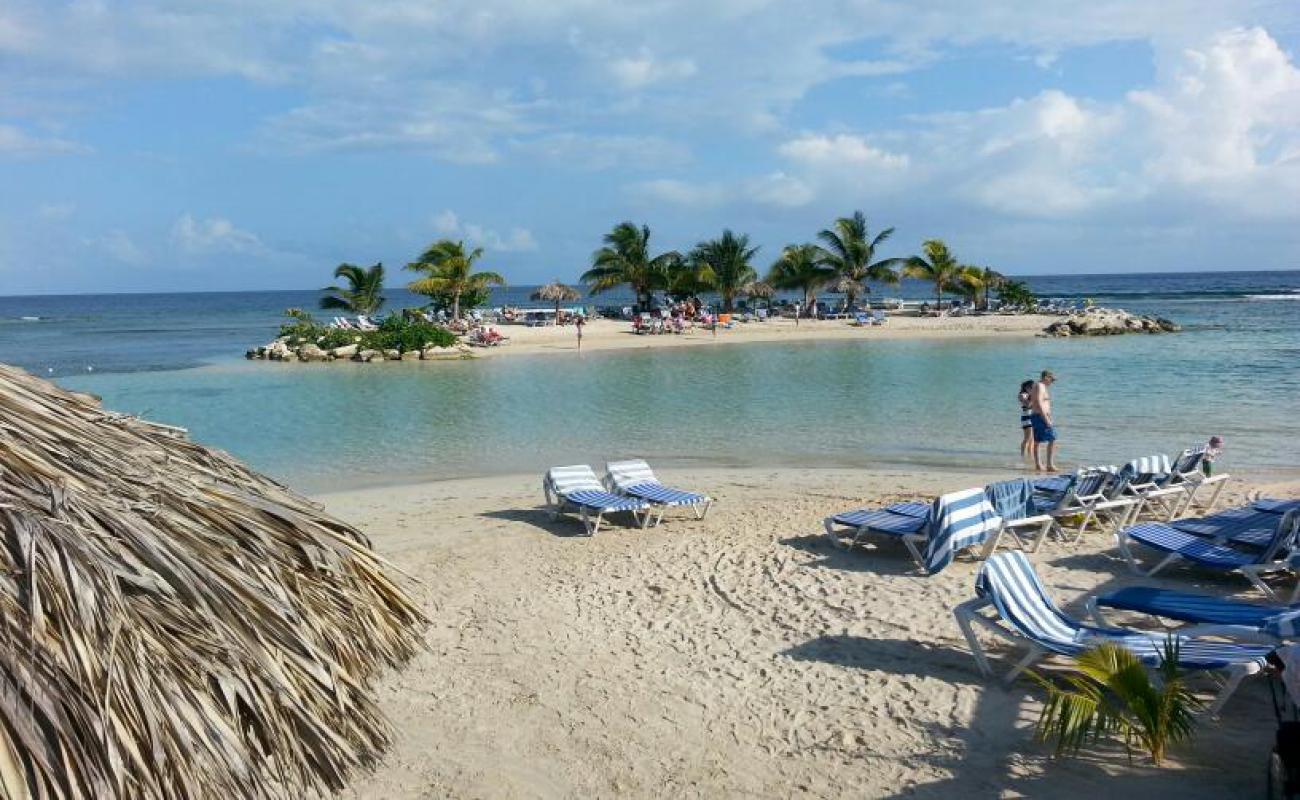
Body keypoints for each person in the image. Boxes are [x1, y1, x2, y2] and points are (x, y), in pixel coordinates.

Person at [1029, 369, 1058, 472]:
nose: (1052, 382)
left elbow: (1032, 402)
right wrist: (1046, 419)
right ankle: (1049, 465)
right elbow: (1040, 402)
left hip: (1037, 416)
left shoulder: (1038, 386)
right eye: (1052, 380)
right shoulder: (1040, 386)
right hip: (1040, 417)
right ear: (1046, 377)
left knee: (1038, 441)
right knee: (1053, 438)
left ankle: (1039, 465)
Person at [1018, 380, 1036, 460]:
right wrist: (1031, 395)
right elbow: (1027, 405)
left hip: (1032, 417)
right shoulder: (1023, 394)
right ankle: (1022, 456)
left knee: (1032, 439)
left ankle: (1030, 456)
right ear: (1027, 387)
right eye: (1032, 387)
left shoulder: (1031, 395)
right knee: (1027, 438)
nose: (1034, 388)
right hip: (1026, 417)